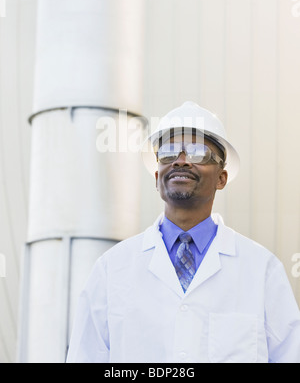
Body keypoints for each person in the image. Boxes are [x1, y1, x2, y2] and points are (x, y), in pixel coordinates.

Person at [67, 101, 300, 363]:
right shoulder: (112, 269)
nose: (181, 161)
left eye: (199, 153)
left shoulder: (262, 270)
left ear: (221, 178)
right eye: (168, 153)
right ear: (157, 177)